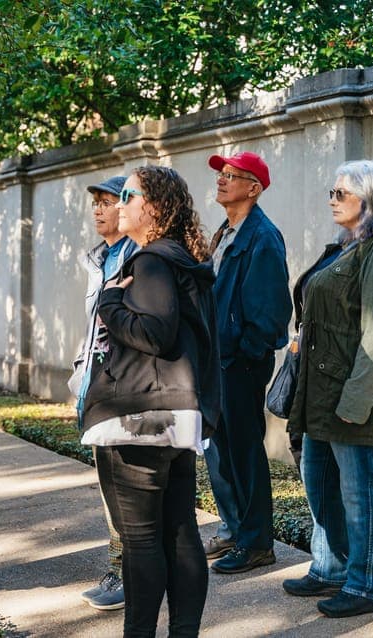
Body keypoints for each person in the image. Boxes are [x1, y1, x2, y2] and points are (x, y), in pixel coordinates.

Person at [80, 166, 220, 637]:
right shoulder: (182, 260)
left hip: (139, 419)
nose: (119, 204)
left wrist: (109, 304)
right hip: (174, 417)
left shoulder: (153, 262)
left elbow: (154, 335)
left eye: (128, 195)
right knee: (180, 532)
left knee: (140, 541)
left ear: (154, 206)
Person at [281, 160, 373, 618]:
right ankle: (329, 566)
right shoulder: (348, 246)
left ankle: (367, 585)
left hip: (359, 399)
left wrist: (356, 402)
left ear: (370, 198)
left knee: (363, 493)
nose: (332, 199)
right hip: (323, 392)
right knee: (321, 482)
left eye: (341, 193)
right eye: (331, 191)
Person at [203, 151, 292, 574]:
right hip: (216, 360)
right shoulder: (225, 231)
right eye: (221, 174)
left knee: (243, 451)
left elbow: (273, 309)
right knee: (219, 453)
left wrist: (245, 353)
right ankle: (235, 529)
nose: (222, 180)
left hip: (238, 363)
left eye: (232, 176)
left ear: (253, 188)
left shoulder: (262, 236)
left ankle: (257, 543)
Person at [74, 175, 137, 611]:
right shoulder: (101, 258)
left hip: (122, 389)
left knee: (123, 489)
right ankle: (124, 569)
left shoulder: (135, 256)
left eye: (107, 201)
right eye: (95, 202)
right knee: (108, 486)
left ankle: (125, 573)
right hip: (95, 385)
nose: (98, 209)